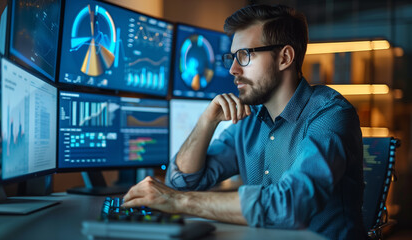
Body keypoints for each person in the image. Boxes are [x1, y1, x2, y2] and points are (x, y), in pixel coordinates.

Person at [122, 4, 365, 240]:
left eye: (245, 56)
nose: (233, 70)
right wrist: (207, 121)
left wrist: (176, 201)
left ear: (285, 58)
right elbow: (182, 181)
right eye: (233, 57)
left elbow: (290, 206)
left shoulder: (330, 115)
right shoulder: (249, 121)